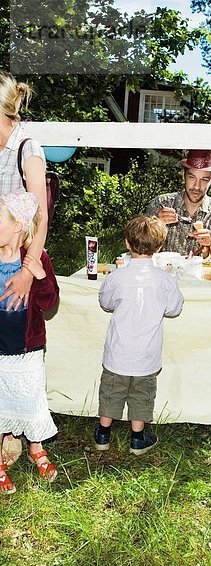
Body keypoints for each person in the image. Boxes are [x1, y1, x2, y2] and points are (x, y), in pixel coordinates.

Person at [94, 215, 184, 455]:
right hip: (146, 357)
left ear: (127, 243)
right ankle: (137, 438)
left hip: (117, 354)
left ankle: (103, 434)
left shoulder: (116, 277)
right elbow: (175, 309)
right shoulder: (165, 280)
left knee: (111, 394)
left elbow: (105, 302)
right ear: (159, 247)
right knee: (141, 397)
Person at [0, 71, 48, 465]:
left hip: (21, 254)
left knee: (21, 344)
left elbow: (40, 215)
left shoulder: (26, 147)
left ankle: (24, 430)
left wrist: (28, 269)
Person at [0, 191, 59, 494]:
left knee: (32, 398)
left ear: (18, 226)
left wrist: (41, 278)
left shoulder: (37, 259)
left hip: (27, 350)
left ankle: (36, 447)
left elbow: (50, 304)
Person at [146, 149, 211, 262]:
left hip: (200, 277)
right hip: (163, 275)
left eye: (204, 180)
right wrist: (156, 224)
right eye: (192, 177)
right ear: (183, 176)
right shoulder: (161, 203)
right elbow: (140, 249)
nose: (196, 186)